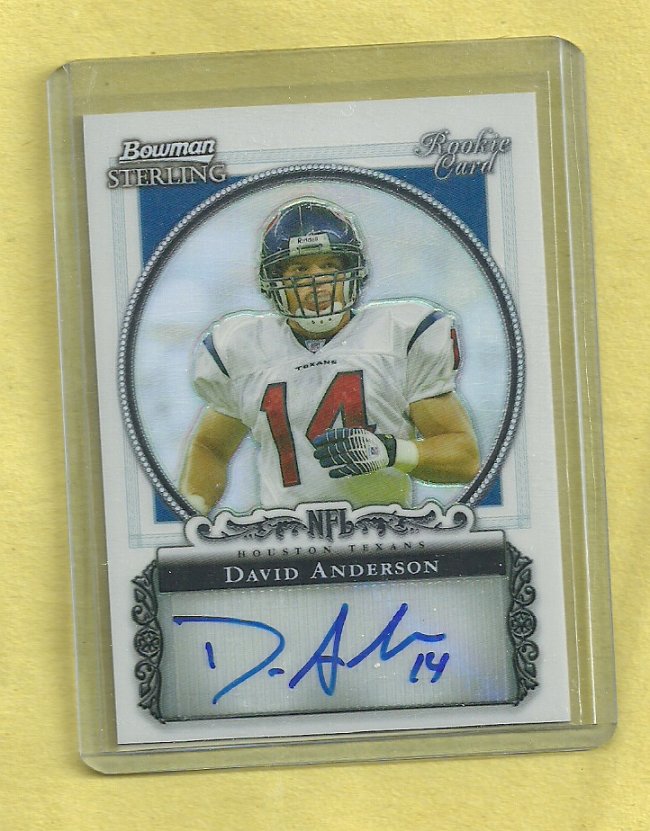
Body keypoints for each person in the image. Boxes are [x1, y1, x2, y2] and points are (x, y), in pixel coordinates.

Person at [180, 197, 479, 514]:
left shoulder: (400, 336)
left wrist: (392, 452)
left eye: (329, 266)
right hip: (284, 536)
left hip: (382, 533)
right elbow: (210, 447)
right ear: (274, 280)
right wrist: (192, 510)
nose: (317, 282)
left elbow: (465, 459)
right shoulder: (244, 348)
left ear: (353, 271)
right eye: (299, 269)